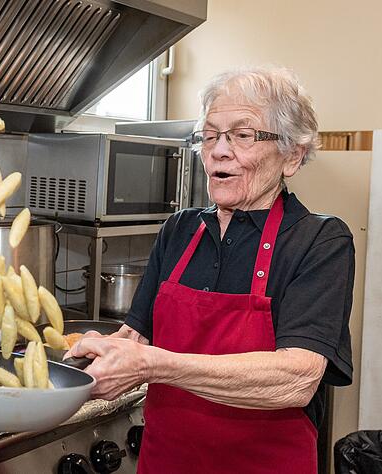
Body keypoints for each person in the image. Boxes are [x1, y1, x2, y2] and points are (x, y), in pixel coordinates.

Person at [68, 66, 354, 473]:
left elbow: (295, 378)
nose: (219, 150)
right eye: (209, 136)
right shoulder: (179, 230)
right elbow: (137, 335)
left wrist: (152, 364)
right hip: (167, 459)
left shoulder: (319, 240)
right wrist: (100, 352)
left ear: (292, 155)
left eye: (242, 135)